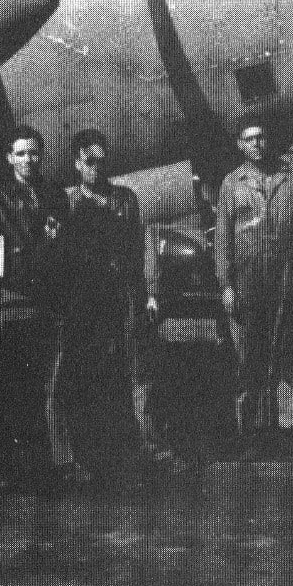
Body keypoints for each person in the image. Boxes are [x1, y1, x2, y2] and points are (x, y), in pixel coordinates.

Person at [61, 129, 179, 476]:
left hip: (126, 295)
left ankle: (152, 446)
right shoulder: (69, 204)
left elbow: (143, 247)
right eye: (89, 162)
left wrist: (152, 293)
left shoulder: (125, 199)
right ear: (77, 164)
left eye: (101, 161)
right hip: (90, 301)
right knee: (93, 374)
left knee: (140, 373)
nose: (96, 168)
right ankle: (93, 454)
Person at [0, 125, 77, 490]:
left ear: (42, 156)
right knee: (0, 385)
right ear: (9, 158)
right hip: (10, 302)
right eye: (20, 153)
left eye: (34, 153)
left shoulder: (55, 196)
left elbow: (64, 245)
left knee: (53, 384)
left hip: (48, 301)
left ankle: (60, 462)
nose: (28, 160)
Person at [215, 120, 293, 459]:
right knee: (248, 358)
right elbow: (222, 239)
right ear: (240, 145)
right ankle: (251, 433)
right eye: (250, 138)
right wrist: (226, 284)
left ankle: (287, 431)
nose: (258, 143)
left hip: (286, 281)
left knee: (286, 356)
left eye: (262, 136)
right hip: (246, 284)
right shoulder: (232, 184)